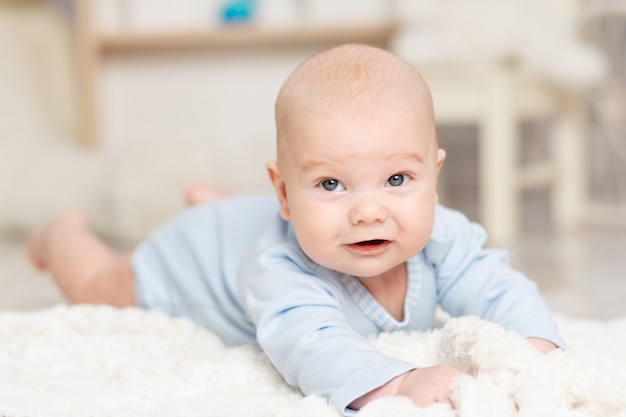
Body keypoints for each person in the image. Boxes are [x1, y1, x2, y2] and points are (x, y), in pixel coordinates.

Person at [28, 43, 565, 415]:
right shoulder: (285, 270)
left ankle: (216, 203)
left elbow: (500, 287)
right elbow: (313, 347)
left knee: (250, 223)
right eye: (332, 184)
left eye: (397, 178)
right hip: (185, 262)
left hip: (240, 227)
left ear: (435, 179)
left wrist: (536, 350)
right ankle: (60, 235)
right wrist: (399, 382)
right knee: (99, 286)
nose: (368, 211)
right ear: (284, 192)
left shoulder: (444, 237)